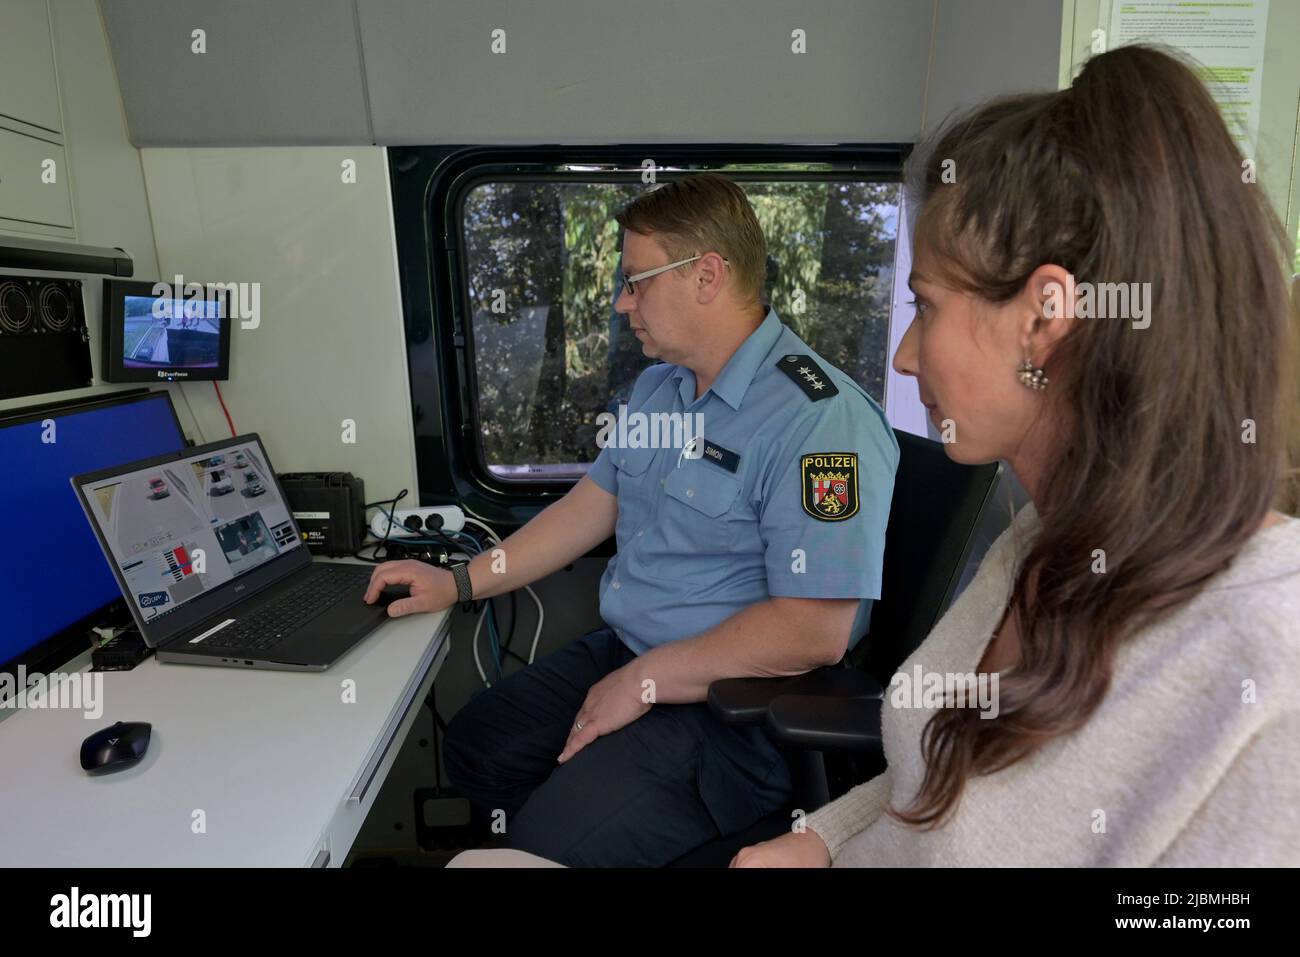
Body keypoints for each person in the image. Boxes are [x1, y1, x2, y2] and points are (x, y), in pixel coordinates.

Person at [731, 44, 1300, 868]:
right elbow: (938, 781)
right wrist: (820, 839)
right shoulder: (1039, 540)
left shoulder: (1266, 652)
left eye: (926, 307)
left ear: (1042, 317)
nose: (904, 358)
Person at [364, 173, 898, 866]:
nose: (622, 303)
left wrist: (647, 681)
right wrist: (460, 582)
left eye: (637, 281)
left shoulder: (821, 420)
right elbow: (591, 505)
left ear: (707, 276)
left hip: (737, 709)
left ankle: (562, 840)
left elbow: (813, 629)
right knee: (476, 745)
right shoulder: (660, 386)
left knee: (542, 841)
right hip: (629, 651)